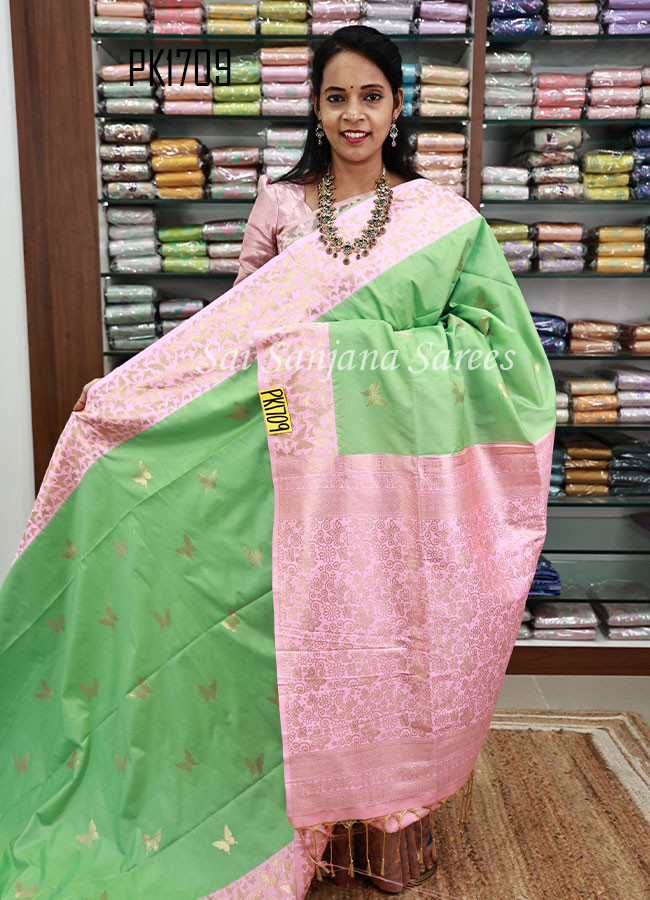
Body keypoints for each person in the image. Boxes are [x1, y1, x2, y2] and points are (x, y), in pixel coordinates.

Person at [4, 25, 555, 900]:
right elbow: (234, 341)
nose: (353, 115)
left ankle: (380, 814)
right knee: (276, 636)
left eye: (371, 96)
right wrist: (142, 397)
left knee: (379, 630)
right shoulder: (281, 205)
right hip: (281, 451)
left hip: (392, 477)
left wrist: (336, 362)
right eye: (336, 97)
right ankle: (269, 807)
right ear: (315, 107)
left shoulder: (443, 221)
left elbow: (501, 357)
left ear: (398, 107)